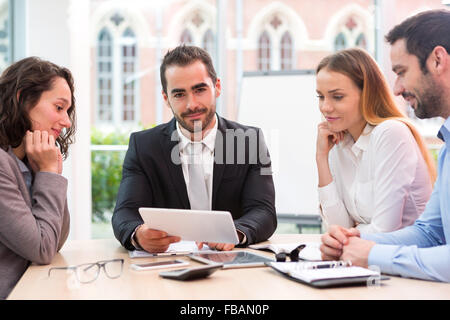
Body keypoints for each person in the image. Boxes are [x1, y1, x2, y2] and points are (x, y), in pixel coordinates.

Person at [320, 9, 450, 282]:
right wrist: (353, 239)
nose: (397, 89)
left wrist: (370, 253)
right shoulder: (447, 145)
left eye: (402, 72)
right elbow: (430, 233)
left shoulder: (391, 133)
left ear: (438, 60)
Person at [112, 45, 276, 253]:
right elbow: (124, 213)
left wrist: (236, 232)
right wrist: (138, 234)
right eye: (179, 94)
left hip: (230, 265)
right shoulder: (144, 146)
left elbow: (264, 211)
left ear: (216, 87)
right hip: (168, 268)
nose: (192, 104)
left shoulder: (248, 141)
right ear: (166, 98)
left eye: (199, 90)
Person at [315, 48, 435, 233]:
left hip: (403, 257)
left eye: (337, 97)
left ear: (367, 94)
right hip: (362, 258)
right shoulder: (339, 142)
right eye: (321, 97)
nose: (325, 107)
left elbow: (384, 231)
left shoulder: (390, 134)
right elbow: (338, 227)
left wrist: (347, 236)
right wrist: (321, 158)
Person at [0, 57, 76, 299]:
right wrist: (48, 174)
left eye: (68, 111)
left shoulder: (24, 162)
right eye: (58, 107)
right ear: (23, 99)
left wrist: (45, 171)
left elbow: (56, 240)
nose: (67, 122)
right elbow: (42, 249)